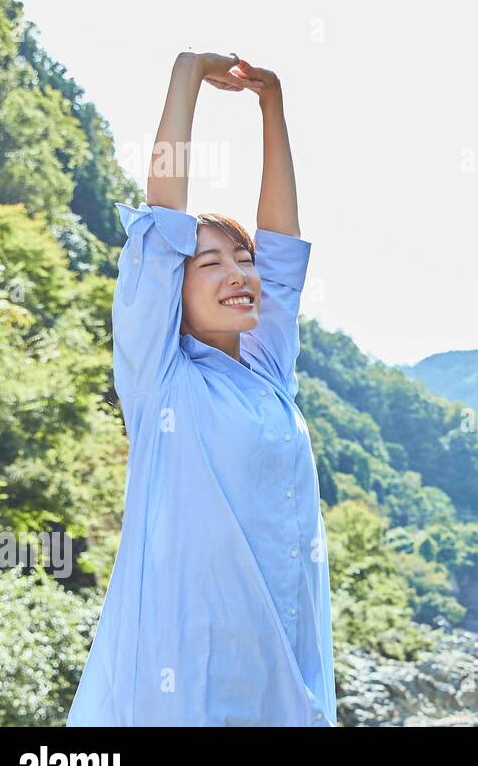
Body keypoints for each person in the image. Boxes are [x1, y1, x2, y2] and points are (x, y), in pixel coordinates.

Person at [66, 51, 335, 726]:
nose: (238, 272)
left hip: (283, 680)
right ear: (170, 291)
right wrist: (187, 74)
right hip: (183, 683)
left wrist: (272, 103)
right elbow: (162, 217)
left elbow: (281, 246)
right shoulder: (160, 379)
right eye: (208, 262)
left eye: (240, 259)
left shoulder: (268, 371)